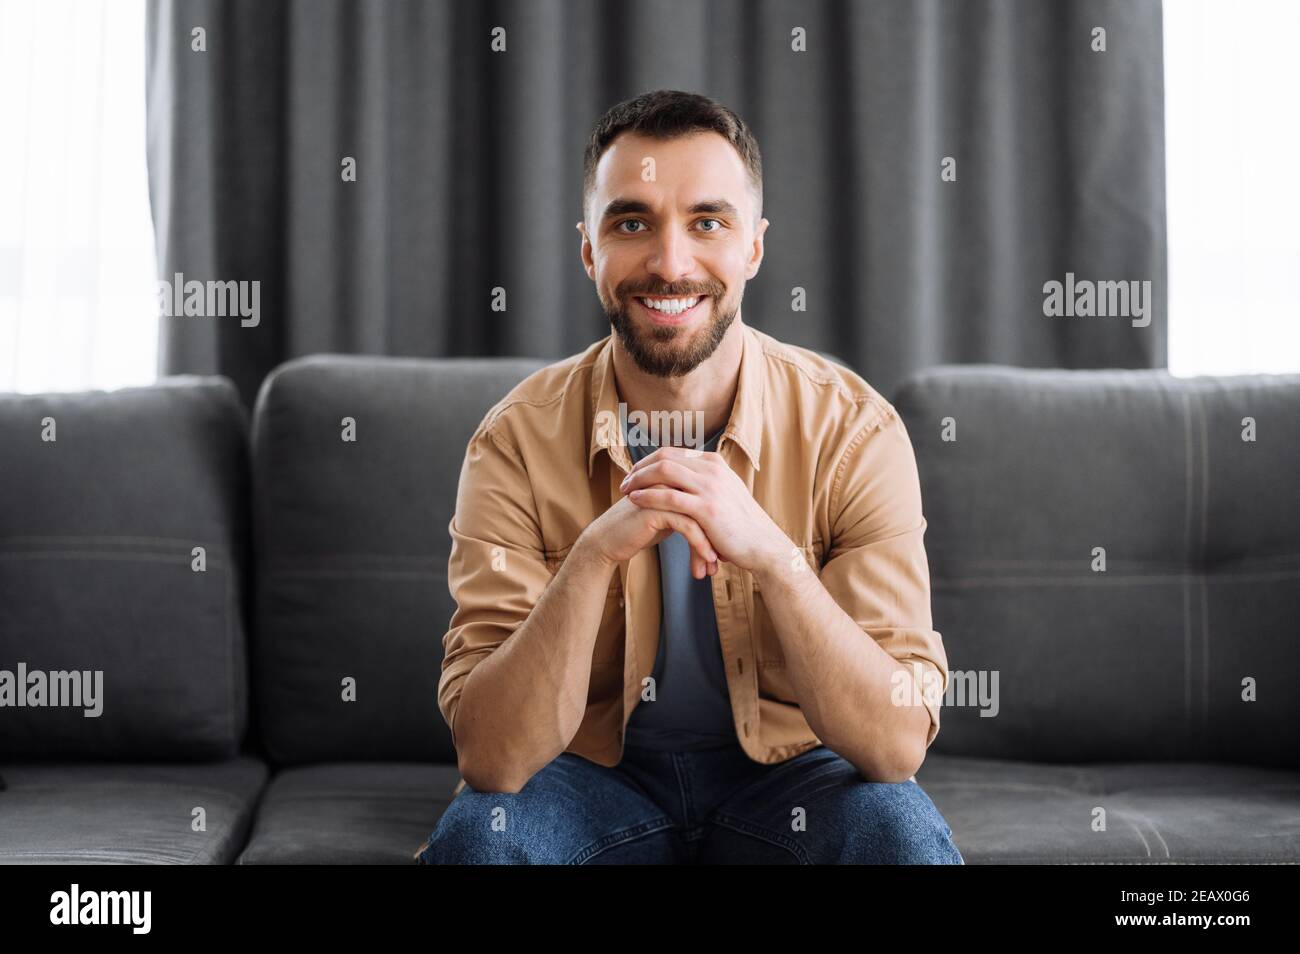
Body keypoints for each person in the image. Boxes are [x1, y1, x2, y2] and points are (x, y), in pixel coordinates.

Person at [415, 89, 962, 864]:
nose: (671, 263)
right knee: (482, 838)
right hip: (587, 780)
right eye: (631, 222)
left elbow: (897, 744)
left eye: (708, 222)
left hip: (795, 778)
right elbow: (493, 760)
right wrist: (594, 556)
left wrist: (773, 557)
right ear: (588, 252)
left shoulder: (855, 431)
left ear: (754, 249)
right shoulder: (512, 443)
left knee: (897, 832)